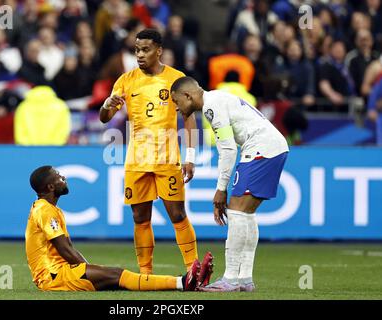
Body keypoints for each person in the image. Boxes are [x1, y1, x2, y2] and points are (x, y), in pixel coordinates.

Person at [170, 76, 289, 292]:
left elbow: (227, 150)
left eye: (177, 102)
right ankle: (244, 279)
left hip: (261, 148)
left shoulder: (211, 107)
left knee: (236, 211)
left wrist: (220, 189)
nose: (177, 109)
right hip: (273, 147)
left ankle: (231, 279)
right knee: (246, 214)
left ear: (188, 96)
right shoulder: (216, 99)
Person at [99, 29, 199, 275]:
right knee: (140, 218)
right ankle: (145, 273)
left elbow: (188, 120)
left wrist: (191, 157)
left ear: (159, 51)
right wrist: (106, 106)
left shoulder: (176, 79)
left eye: (145, 50)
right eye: (137, 50)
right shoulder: (126, 80)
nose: (140, 55)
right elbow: (105, 118)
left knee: (177, 214)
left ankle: (194, 270)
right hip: (137, 161)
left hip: (168, 159)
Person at [25, 165, 214, 292]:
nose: (63, 177)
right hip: (53, 277)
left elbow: (68, 247)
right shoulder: (44, 210)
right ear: (50, 186)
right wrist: (88, 268)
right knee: (116, 275)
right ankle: (183, 282)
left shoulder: (48, 209)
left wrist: (89, 268)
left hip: (61, 272)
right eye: (58, 177)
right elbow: (65, 250)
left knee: (114, 276)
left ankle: (185, 281)